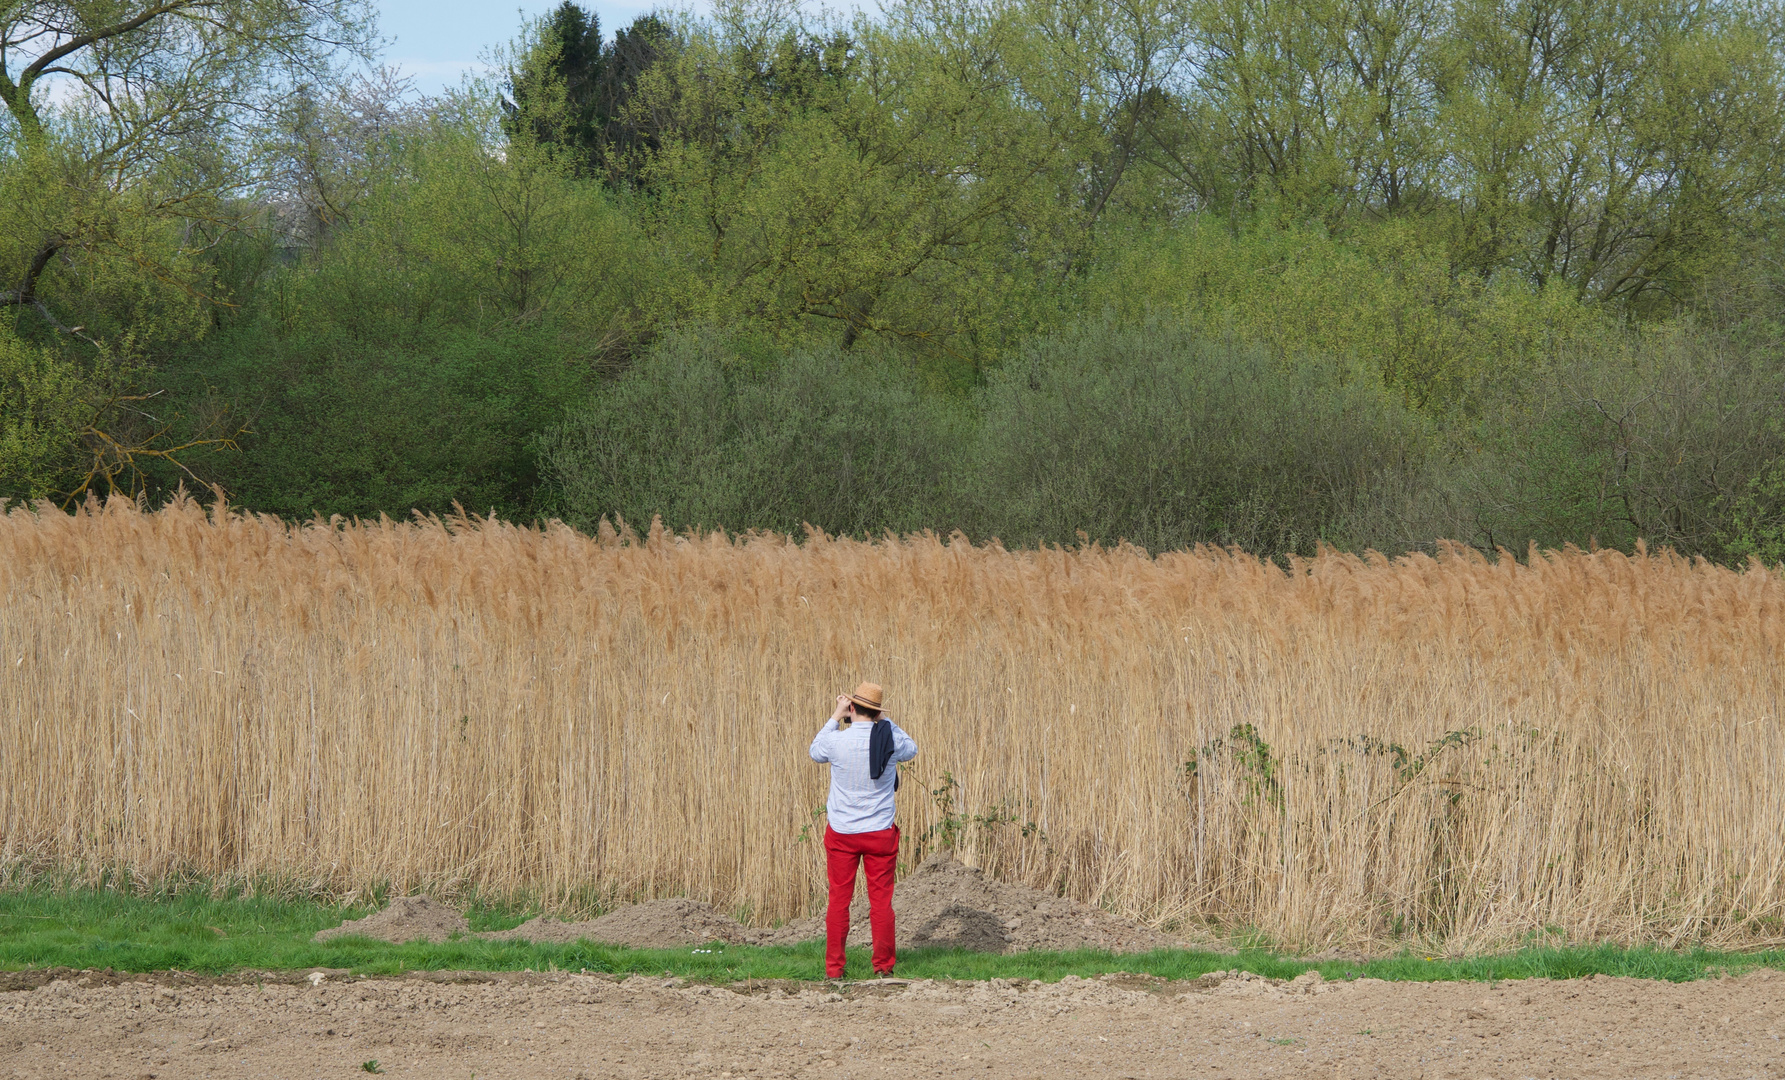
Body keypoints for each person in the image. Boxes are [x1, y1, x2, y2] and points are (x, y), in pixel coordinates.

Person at [808, 681, 918, 979]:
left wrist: (835, 714)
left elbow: (815, 751)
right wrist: (885, 721)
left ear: (852, 708)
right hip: (879, 833)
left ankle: (834, 970)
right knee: (881, 902)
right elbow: (912, 748)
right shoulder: (890, 741)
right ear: (877, 712)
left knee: (839, 901)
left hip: (842, 833)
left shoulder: (836, 742)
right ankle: (883, 967)